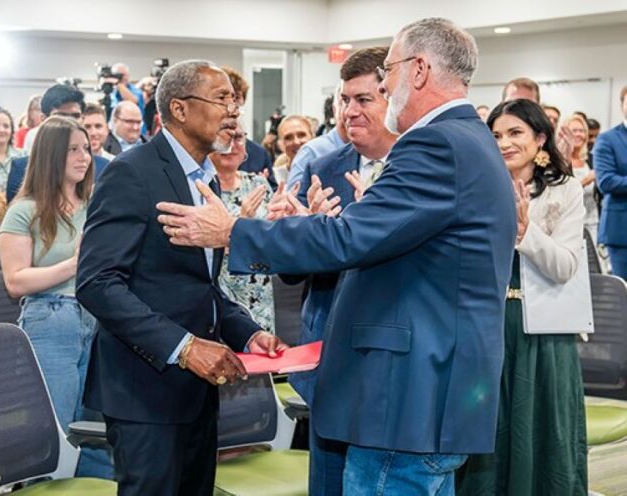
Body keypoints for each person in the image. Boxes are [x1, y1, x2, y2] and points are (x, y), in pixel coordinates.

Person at [157, 18, 517, 494]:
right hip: (430, 388)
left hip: (410, 392)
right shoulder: (469, 138)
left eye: (389, 71)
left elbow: (349, 237)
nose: (385, 85)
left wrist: (233, 231)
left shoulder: (436, 143)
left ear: (420, 69)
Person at [76, 59, 285, 496]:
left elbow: (198, 283)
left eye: (235, 100)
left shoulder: (205, 179)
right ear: (180, 108)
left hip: (196, 390)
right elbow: (97, 283)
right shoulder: (132, 171)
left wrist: (247, 333)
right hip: (144, 391)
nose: (234, 111)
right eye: (222, 98)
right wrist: (185, 347)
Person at [457, 98, 587, 495]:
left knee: (542, 432)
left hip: (544, 332)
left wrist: (525, 233)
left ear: (541, 138)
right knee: (488, 430)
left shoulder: (564, 191)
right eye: (496, 135)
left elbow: (565, 265)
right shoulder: (478, 186)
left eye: (515, 133)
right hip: (486, 328)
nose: (504, 143)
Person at [285, 45, 397, 496]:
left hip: (391, 356)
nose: (350, 111)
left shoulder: (416, 168)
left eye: (364, 99)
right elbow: (292, 273)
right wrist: (301, 231)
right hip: (330, 354)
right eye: (344, 100)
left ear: (393, 97)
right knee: (328, 482)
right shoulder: (323, 168)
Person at [0, 116, 112, 479]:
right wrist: (76, 264)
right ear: (51, 156)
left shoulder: (94, 205)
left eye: (86, 149)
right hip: (50, 319)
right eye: (73, 150)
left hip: (97, 320)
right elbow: (15, 281)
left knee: (94, 428)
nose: (84, 157)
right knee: (56, 428)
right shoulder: (25, 210)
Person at [209, 122, 275, 334]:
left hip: (260, 295)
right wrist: (241, 225)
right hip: (219, 297)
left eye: (238, 137)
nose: (231, 145)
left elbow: (273, 237)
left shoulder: (258, 183)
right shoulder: (202, 188)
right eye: (224, 137)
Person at [221, 66, 276, 186]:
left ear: (243, 101)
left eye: (236, 97)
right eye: (223, 97)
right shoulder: (201, 148)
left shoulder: (258, 154)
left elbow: (274, 190)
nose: (231, 104)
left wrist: (263, 188)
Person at [594, 85, 627, 278]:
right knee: (623, 289)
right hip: (621, 231)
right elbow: (606, 181)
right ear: (622, 105)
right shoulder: (607, 139)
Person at [286, 89, 349, 189]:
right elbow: (293, 196)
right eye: (345, 102)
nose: (352, 111)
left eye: (363, 101)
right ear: (335, 109)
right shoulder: (312, 152)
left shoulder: (371, 152)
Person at [563, 113, 599, 242]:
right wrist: (585, 181)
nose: (579, 134)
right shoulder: (559, 161)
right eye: (574, 130)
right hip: (569, 223)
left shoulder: (590, 159)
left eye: (582, 131)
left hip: (591, 221)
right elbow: (562, 192)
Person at [23, 83, 85, 153]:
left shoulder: (91, 159)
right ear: (44, 120)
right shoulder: (28, 160)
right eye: (60, 117)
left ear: (83, 119)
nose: (70, 123)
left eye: (75, 116)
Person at [272, 115, 313, 184]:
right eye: (288, 138)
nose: (296, 142)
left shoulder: (325, 171)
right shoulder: (274, 177)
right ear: (280, 144)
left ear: (312, 137)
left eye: (301, 135)